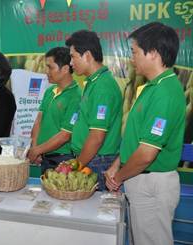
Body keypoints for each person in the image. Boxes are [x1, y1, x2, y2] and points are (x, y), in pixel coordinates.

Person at [105, 22, 185, 245]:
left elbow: (147, 153)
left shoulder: (165, 93)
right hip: (139, 179)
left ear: (153, 53)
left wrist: (119, 177)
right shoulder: (152, 87)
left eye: (135, 52)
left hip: (151, 184)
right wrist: (118, 164)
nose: (132, 58)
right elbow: (138, 137)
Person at [65, 30, 122, 191]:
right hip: (89, 159)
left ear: (87, 55)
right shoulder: (93, 82)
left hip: (96, 162)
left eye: (73, 56)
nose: (70, 63)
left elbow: (97, 137)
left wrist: (77, 167)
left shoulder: (102, 87)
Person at [27, 47, 81, 173]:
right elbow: (38, 121)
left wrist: (37, 150)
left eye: (50, 67)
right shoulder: (49, 91)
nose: (47, 71)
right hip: (43, 157)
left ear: (66, 69)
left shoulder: (77, 96)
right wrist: (35, 149)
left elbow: (65, 135)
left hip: (62, 161)